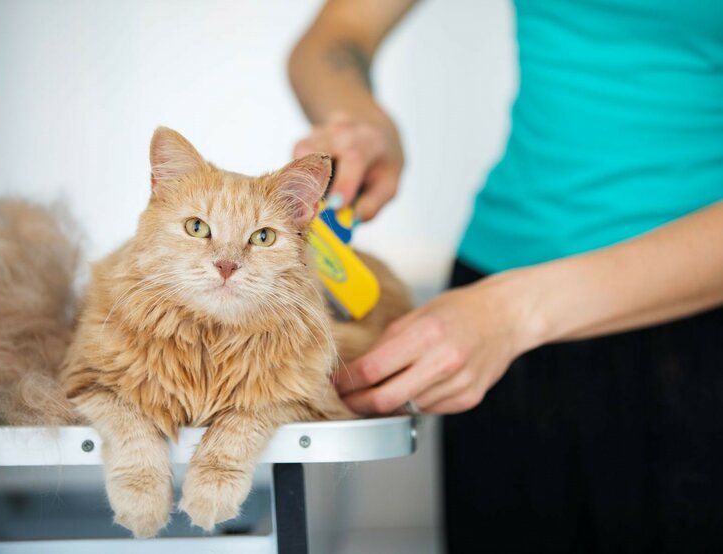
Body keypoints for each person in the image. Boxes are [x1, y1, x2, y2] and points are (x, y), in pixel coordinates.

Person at [288, 1, 723, 552]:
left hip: (687, 325)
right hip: (491, 312)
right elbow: (338, 32)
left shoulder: (505, 314)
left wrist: (515, 312)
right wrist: (360, 120)